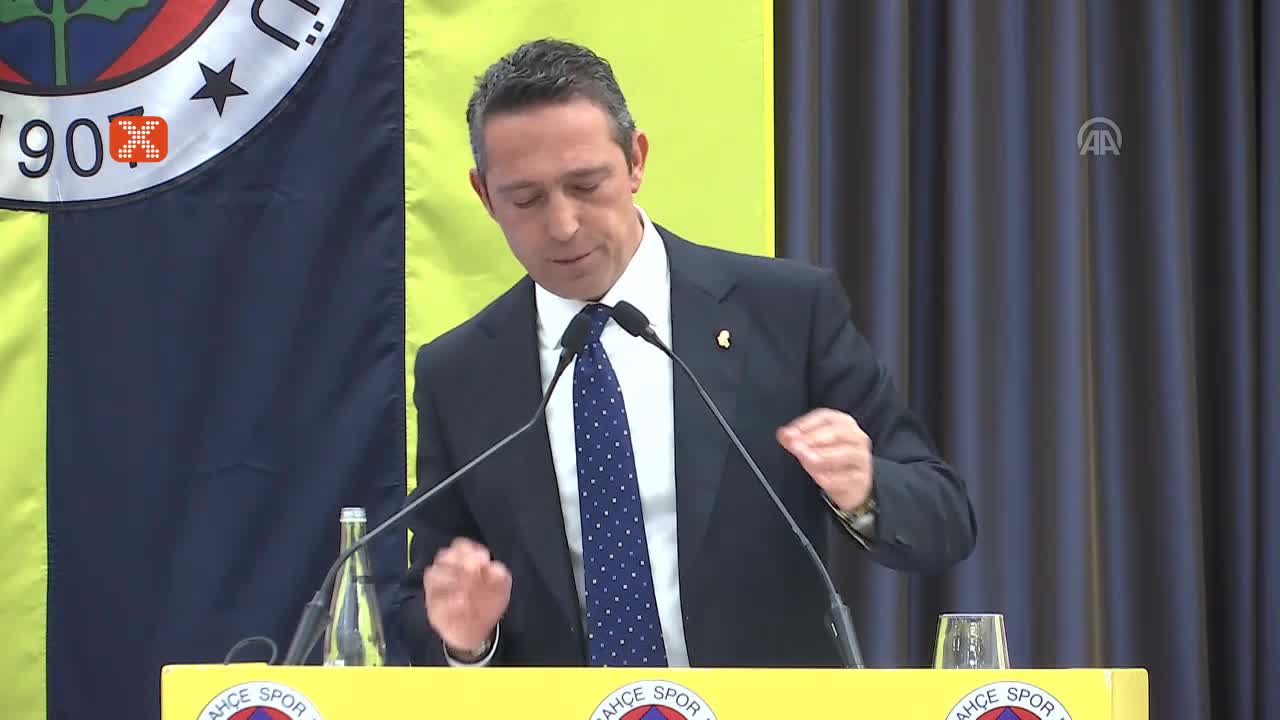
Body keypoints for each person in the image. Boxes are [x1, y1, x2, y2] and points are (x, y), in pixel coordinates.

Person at [390, 38, 976, 668]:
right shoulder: (459, 373)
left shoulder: (784, 312)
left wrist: (865, 490)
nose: (562, 225)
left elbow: (944, 519)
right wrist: (464, 638)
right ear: (483, 195)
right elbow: (426, 599)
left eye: (586, 185)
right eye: (525, 199)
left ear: (635, 161)